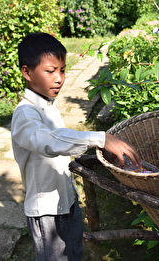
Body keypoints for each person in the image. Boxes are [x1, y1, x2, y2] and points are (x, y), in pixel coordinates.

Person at [11, 32, 140, 261]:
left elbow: (61, 143)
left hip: (67, 201)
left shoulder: (49, 106)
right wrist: (99, 138)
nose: (59, 78)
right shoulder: (24, 114)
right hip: (47, 212)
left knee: (74, 254)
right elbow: (48, 141)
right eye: (50, 71)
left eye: (62, 70)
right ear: (27, 72)